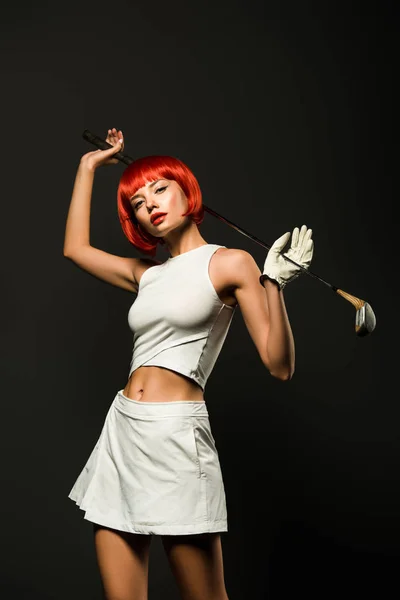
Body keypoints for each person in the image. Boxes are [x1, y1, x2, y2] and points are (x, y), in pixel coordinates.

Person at [64, 127, 314, 600]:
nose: (151, 203)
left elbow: (279, 365)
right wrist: (88, 167)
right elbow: (75, 249)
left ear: (186, 190)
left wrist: (274, 285)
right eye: (138, 201)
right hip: (123, 432)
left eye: (160, 188)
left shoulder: (230, 263)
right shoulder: (148, 275)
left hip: (178, 437)